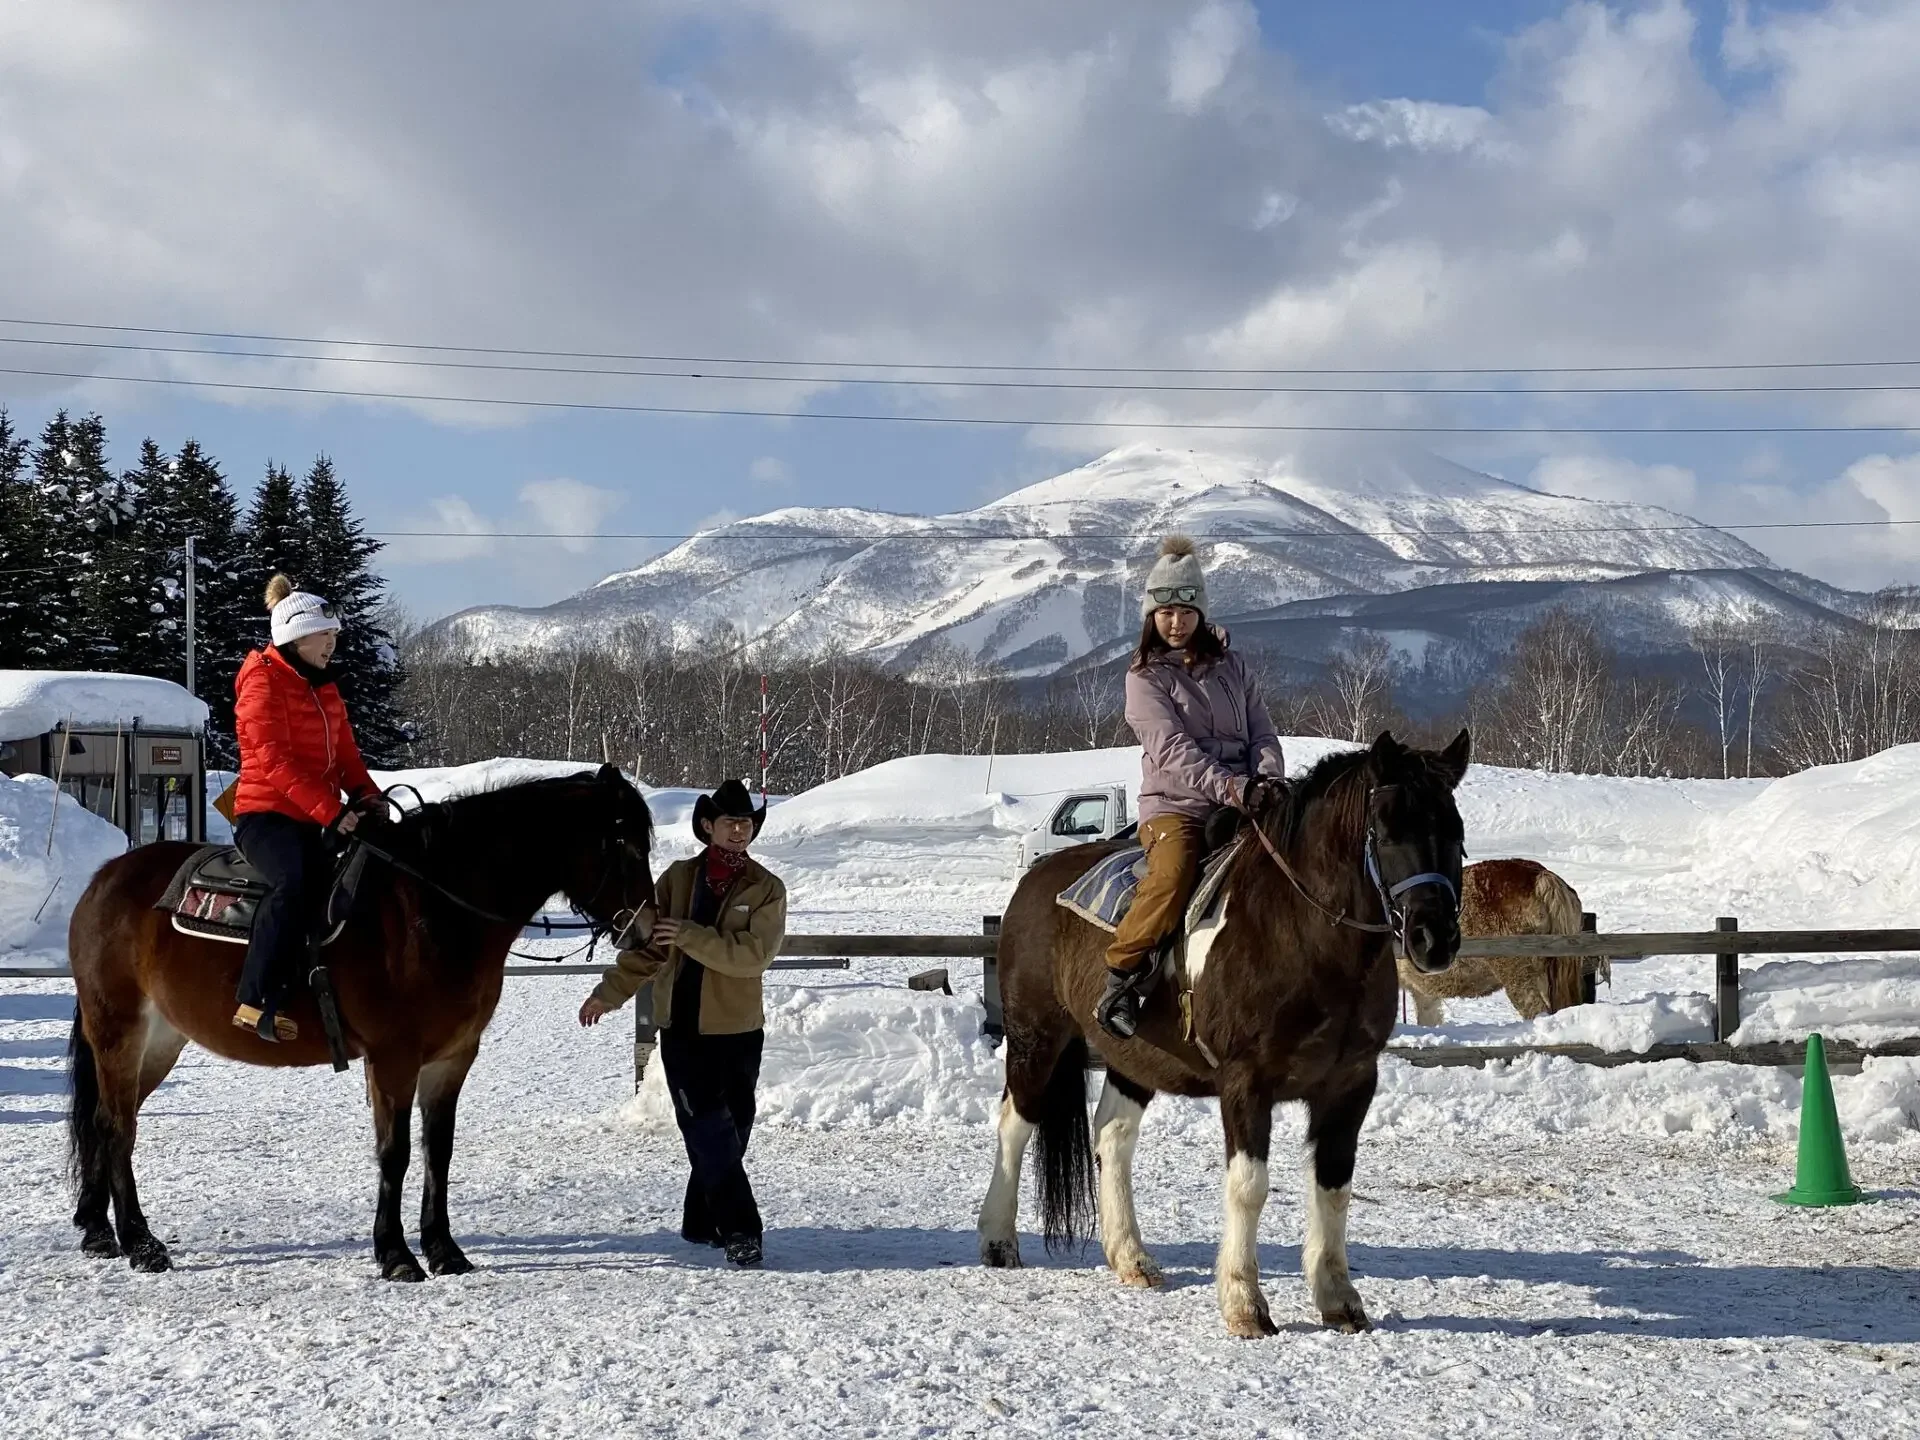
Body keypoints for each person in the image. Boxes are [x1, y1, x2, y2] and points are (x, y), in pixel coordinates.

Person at [580, 778, 787, 1269]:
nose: (739, 831)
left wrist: (691, 935)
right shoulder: (675, 879)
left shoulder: (766, 889)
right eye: (729, 822)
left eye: (746, 823)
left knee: (733, 1129)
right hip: (682, 1031)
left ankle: (701, 1219)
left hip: (738, 1030)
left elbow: (753, 957)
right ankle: (742, 1229)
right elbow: (650, 949)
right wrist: (608, 994)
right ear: (707, 826)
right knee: (708, 1128)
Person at [1095, 536, 1286, 1040]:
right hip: (1175, 807)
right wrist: (1234, 789)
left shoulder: (1233, 666)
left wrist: (1268, 780)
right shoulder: (1144, 678)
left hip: (1243, 796)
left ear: (1200, 612)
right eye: (1164, 612)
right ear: (1150, 617)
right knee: (1175, 873)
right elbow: (1173, 752)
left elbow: (1262, 730)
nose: (1175, 622)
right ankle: (1121, 976)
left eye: (1184, 610)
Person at [230, 573, 380, 1042]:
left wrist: (369, 797)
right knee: (295, 881)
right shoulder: (261, 683)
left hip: (313, 814)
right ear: (295, 637)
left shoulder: (323, 685)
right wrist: (331, 811)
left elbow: (348, 756)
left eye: (334, 634)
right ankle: (253, 1001)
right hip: (265, 815)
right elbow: (272, 761)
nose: (332, 643)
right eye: (324, 634)